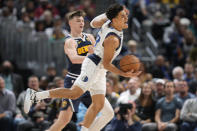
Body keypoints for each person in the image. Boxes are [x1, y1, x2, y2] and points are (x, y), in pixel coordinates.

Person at [24, 4, 141, 131]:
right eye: (122, 16)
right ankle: (35, 96)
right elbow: (106, 63)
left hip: (100, 69)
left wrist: (108, 14)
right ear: (114, 20)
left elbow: (93, 24)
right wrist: (124, 74)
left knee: (103, 109)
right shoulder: (112, 39)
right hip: (94, 65)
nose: (126, 18)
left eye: (125, 16)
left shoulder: (108, 24)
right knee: (73, 97)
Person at [47, 10, 95, 131]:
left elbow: (99, 56)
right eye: (78, 21)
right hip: (74, 80)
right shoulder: (69, 41)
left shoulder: (90, 37)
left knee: (102, 112)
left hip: (90, 81)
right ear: (70, 23)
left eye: (83, 20)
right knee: (64, 120)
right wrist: (91, 57)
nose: (81, 23)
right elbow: (74, 59)